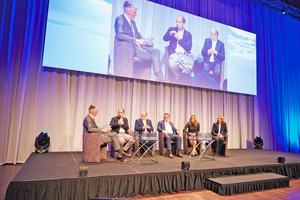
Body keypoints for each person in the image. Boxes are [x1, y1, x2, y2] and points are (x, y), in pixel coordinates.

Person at [114, 1, 164, 80]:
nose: (136, 14)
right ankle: (159, 77)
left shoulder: (133, 22)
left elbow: (139, 35)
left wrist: (147, 42)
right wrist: (136, 40)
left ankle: (159, 76)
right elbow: (119, 35)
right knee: (153, 56)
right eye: (135, 12)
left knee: (156, 51)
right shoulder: (120, 19)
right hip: (131, 47)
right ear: (128, 11)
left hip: (139, 45)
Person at [163, 15, 193, 83]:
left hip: (184, 55)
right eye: (176, 21)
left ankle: (180, 79)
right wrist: (170, 33)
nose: (177, 23)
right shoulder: (172, 29)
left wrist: (179, 39)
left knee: (189, 68)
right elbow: (164, 38)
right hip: (174, 54)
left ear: (183, 24)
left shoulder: (188, 34)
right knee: (172, 64)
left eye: (179, 22)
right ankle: (179, 77)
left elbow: (189, 48)